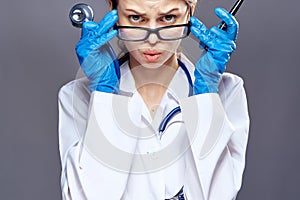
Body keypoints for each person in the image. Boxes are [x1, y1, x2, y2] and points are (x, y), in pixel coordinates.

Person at [58, 0, 250, 199]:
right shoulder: (77, 96)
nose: (151, 39)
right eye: (136, 18)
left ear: (189, 12)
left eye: (168, 18)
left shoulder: (227, 92)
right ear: (114, 11)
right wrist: (105, 96)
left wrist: (205, 96)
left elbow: (218, 196)